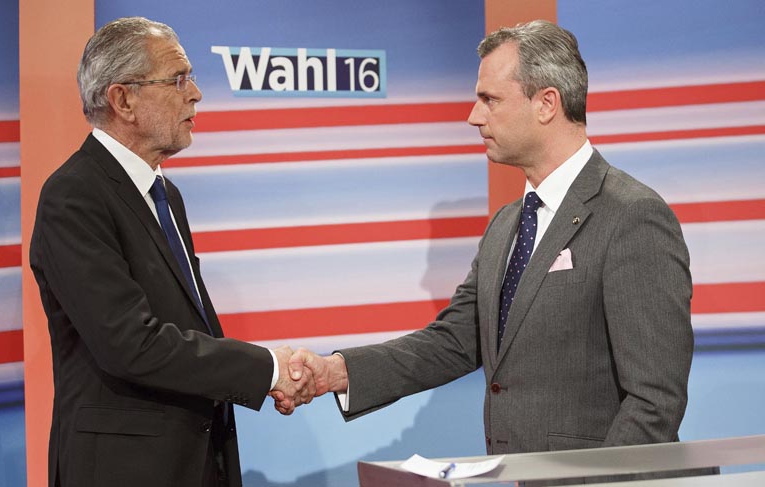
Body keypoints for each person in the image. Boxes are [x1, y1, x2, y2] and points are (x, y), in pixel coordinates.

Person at [280, 19, 697, 460]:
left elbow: (655, 404)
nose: (474, 116)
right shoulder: (506, 225)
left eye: (489, 100)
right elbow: (455, 341)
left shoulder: (632, 216)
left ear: (546, 104)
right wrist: (334, 372)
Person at [30, 17, 312, 487]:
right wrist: (268, 369)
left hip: (197, 459)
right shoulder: (73, 196)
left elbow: (187, 322)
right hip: (125, 470)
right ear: (123, 100)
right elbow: (131, 344)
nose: (196, 93)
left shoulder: (165, 194)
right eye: (179, 79)